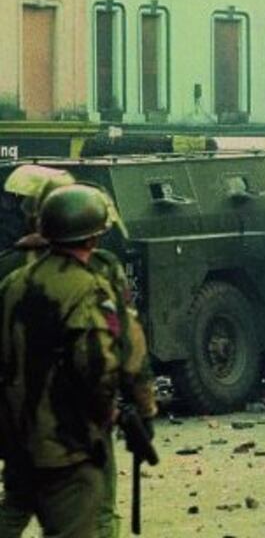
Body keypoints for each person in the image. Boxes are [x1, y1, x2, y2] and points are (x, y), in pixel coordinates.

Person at [0, 184, 157, 536]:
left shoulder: (12, 282)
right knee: (85, 518)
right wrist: (128, 412)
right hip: (69, 440)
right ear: (93, 236)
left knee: (14, 507)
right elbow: (100, 366)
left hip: (18, 433)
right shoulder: (90, 287)